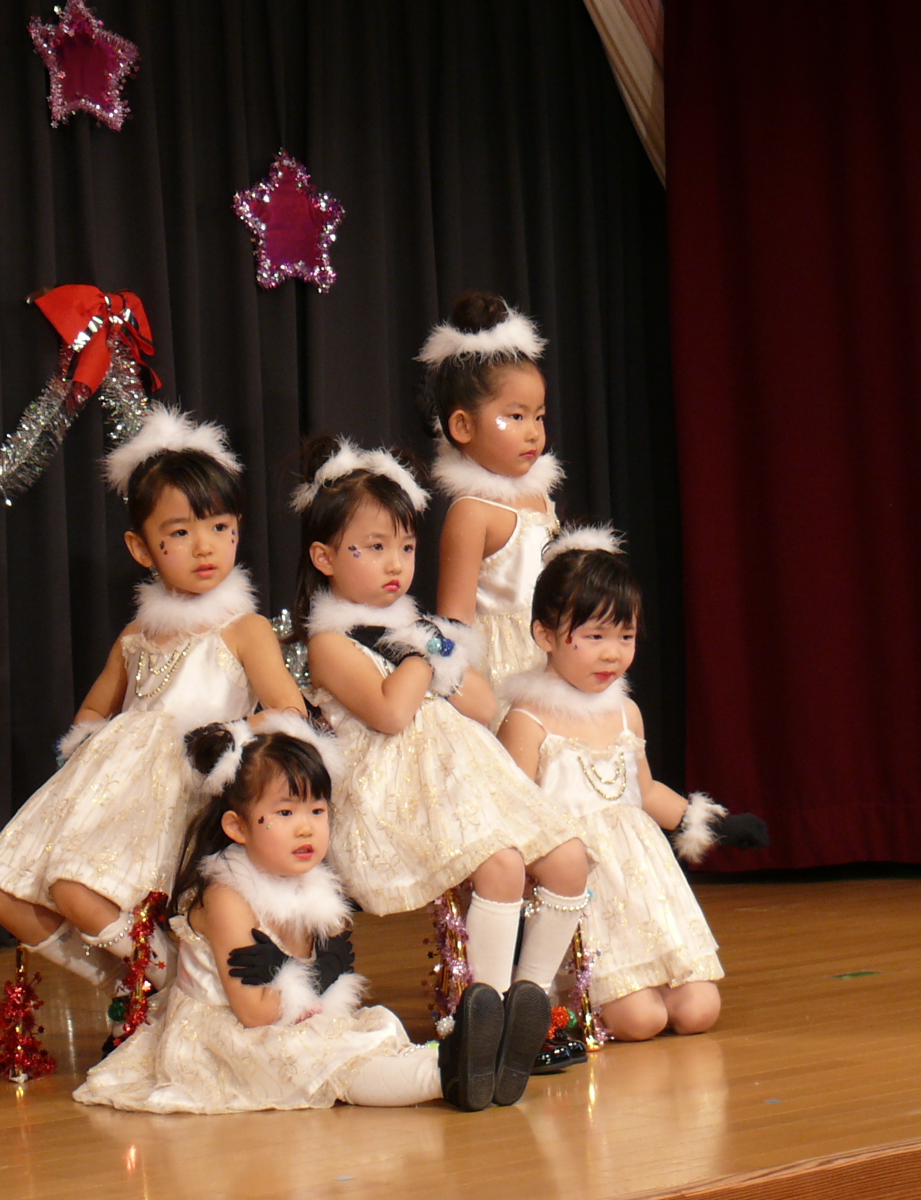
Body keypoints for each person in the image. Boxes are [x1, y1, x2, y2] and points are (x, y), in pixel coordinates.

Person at [291, 437, 591, 1099]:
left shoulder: (418, 631)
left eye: (404, 547)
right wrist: (421, 652)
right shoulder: (330, 642)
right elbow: (391, 712)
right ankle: (483, 1021)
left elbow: (482, 704)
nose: (394, 564)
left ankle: (528, 1005)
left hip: (466, 773)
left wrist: (436, 651)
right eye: (372, 548)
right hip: (398, 790)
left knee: (570, 860)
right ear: (325, 558)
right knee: (502, 866)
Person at [0, 405, 306, 1000]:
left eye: (219, 527)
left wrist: (224, 738)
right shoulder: (136, 636)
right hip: (118, 792)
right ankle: (138, 989)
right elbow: (92, 714)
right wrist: (92, 756)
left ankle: (173, 986)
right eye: (178, 533)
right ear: (141, 547)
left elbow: (290, 711)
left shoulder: (242, 628)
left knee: (77, 889)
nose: (203, 546)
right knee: (3, 890)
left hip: (185, 792)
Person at [73, 716, 523, 1113]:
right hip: (230, 1037)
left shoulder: (315, 885)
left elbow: (321, 973)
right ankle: (450, 1075)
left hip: (293, 1016)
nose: (306, 827)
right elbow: (253, 1012)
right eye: (285, 812)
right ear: (237, 826)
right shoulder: (227, 895)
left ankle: (482, 1064)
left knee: (371, 1037)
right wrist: (314, 977)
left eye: (317, 810)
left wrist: (315, 973)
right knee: (333, 1065)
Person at [497, 528, 769, 1041]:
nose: (612, 654)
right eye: (594, 637)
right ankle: (567, 997)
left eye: (626, 637)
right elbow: (511, 815)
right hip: (582, 886)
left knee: (699, 1010)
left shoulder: (626, 712)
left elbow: (643, 791)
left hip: (643, 884)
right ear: (546, 635)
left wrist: (711, 824)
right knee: (641, 1020)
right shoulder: (528, 720)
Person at [425, 290, 562, 706]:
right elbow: (453, 626)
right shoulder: (472, 512)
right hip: (503, 681)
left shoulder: (539, 497)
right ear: (463, 426)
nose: (533, 432)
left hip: (555, 663)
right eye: (515, 417)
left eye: (539, 416)